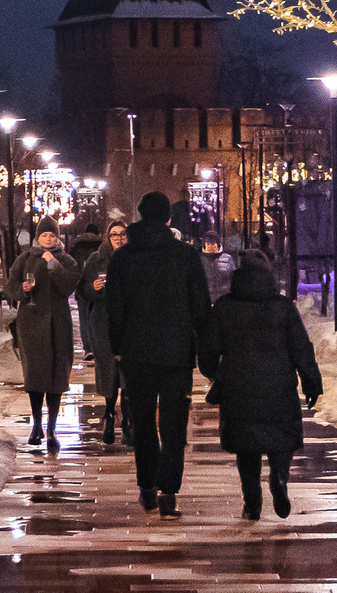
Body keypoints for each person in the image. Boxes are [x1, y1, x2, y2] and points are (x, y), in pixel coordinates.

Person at [105, 191, 213, 515]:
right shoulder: (185, 256)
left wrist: (117, 348)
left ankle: (147, 487)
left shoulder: (122, 258)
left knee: (143, 423)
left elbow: (115, 307)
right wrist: (204, 348)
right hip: (176, 353)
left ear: (139, 215)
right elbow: (200, 307)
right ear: (168, 219)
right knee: (173, 424)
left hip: (136, 354)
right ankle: (168, 491)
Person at [198, 251, 323, 521]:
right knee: (281, 438)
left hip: (238, 385)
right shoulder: (282, 307)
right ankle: (279, 476)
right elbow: (301, 347)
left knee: (247, 446)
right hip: (279, 384)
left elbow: (208, 350)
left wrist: (214, 374)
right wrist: (311, 381)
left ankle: (252, 503)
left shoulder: (224, 306)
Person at [10, 227, 79, 448]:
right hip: (30, 323)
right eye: (44, 235)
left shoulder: (66, 260)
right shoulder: (26, 258)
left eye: (52, 235)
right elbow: (10, 286)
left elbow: (69, 286)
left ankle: (51, 429)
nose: (48, 239)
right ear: (37, 237)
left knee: (57, 375)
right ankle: (36, 425)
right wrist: (22, 289)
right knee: (35, 374)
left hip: (58, 324)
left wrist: (53, 264)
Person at [75, 215, 128, 444]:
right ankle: (108, 414)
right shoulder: (97, 259)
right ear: (108, 237)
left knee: (128, 370)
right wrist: (93, 288)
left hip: (129, 321)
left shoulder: (135, 257)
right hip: (103, 320)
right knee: (108, 369)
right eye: (114, 234)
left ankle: (127, 421)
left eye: (122, 234)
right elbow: (81, 291)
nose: (118, 238)